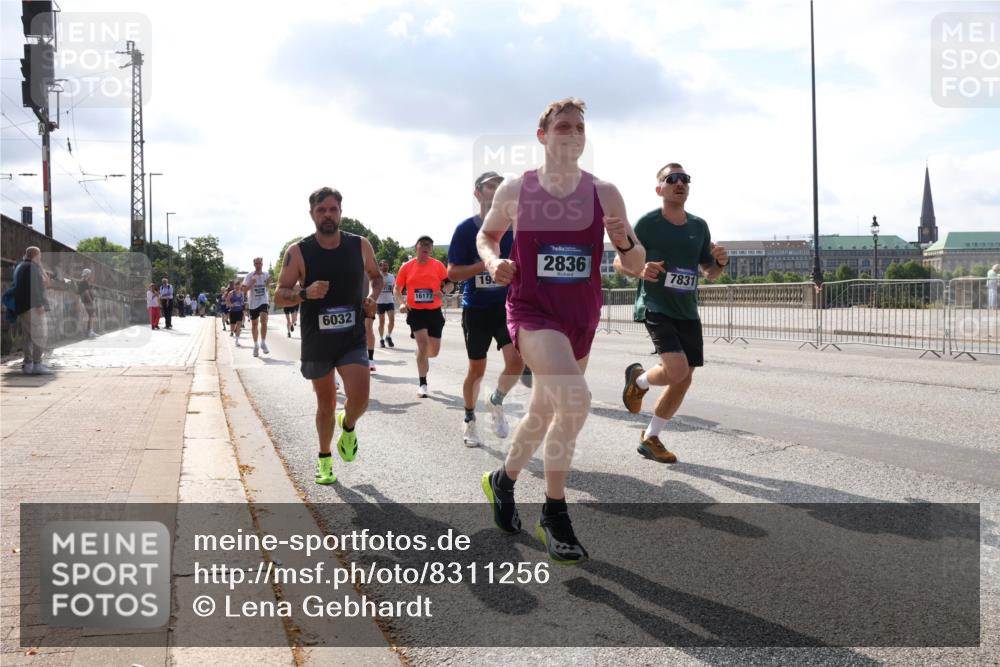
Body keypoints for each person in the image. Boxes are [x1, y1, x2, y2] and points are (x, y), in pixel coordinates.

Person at [477, 98, 645, 564]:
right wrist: (494, 261)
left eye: (579, 127)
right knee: (575, 400)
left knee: (542, 414)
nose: (571, 133)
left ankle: (503, 481)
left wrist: (625, 240)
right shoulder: (517, 189)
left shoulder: (604, 193)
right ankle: (554, 510)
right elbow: (487, 235)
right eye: (562, 126)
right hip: (532, 311)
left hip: (580, 318)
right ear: (543, 136)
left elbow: (633, 266)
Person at [619, 162, 729, 464]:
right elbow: (620, 262)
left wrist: (720, 261)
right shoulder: (648, 224)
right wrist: (640, 268)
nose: (679, 183)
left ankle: (650, 437)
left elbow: (710, 273)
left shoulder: (698, 226)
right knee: (677, 369)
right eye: (672, 179)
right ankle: (639, 381)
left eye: (685, 179)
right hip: (656, 305)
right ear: (660, 189)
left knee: (683, 378)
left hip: (687, 310)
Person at [274, 187, 382, 485]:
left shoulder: (360, 245)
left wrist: (373, 296)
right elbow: (280, 295)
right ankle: (324, 459)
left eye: (333, 209)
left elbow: (376, 276)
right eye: (321, 210)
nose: (328, 215)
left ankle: (347, 428)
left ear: (340, 213)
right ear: (312, 214)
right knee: (326, 402)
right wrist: (304, 292)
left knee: (360, 399)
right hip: (317, 339)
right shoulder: (298, 252)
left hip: (352, 336)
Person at [448, 171, 524, 447]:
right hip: (476, 308)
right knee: (476, 371)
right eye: (489, 186)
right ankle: (469, 419)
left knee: (516, 361)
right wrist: (487, 264)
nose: (494, 191)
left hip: (507, 307)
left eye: (499, 186)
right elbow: (453, 273)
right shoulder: (466, 229)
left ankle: (496, 401)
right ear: (477, 193)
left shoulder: (516, 230)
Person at [395, 236, 453, 398]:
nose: (426, 247)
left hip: (434, 312)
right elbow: (397, 289)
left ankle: (421, 355)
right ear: (417, 248)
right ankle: (423, 384)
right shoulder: (406, 267)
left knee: (433, 352)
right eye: (423, 245)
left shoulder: (438, 265)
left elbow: (450, 283)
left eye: (429, 245)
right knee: (422, 344)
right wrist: (401, 303)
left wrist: (444, 292)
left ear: (431, 249)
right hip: (416, 312)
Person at [13, 246, 52, 375]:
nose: (41, 258)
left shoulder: (20, 267)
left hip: (22, 307)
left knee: (27, 337)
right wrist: (39, 305)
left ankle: (28, 364)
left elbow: (44, 282)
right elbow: (37, 286)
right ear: (36, 255)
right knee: (40, 335)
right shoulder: (32, 268)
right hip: (33, 307)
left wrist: (39, 266)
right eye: (40, 255)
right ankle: (37, 364)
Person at [242, 257, 272, 358]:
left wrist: (268, 283)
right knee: (254, 324)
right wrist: (251, 283)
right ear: (254, 265)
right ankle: (256, 345)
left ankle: (263, 342)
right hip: (253, 303)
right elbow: (244, 290)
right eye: (256, 264)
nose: (258, 265)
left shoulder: (266, 274)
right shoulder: (249, 276)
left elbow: (267, 287)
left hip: (263, 300)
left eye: (259, 263)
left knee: (264, 319)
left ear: (262, 264)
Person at [376, 260, 396, 348]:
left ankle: (388, 336)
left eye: (386, 265)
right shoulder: (377, 277)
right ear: (380, 267)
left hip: (389, 301)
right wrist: (380, 286)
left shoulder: (392, 276)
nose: (385, 267)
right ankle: (381, 339)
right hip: (380, 302)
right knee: (382, 322)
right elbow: (374, 289)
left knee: (392, 320)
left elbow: (394, 288)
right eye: (383, 265)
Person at [78, 268, 97, 337]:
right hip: (88, 301)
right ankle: (90, 331)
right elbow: (86, 292)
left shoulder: (82, 281)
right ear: (87, 274)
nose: (90, 275)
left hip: (86, 301)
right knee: (92, 315)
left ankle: (89, 331)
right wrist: (91, 301)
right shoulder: (84, 282)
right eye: (90, 274)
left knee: (91, 315)